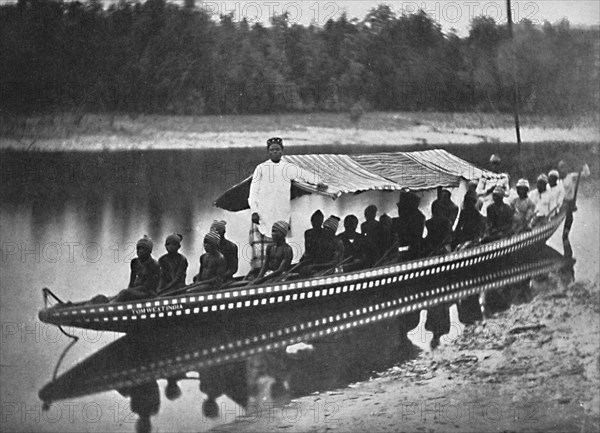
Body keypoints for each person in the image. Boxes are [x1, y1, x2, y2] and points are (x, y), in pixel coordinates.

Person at [248, 137, 326, 273]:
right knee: (262, 247)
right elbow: (253, 193)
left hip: (281, 213)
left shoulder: (288, 168)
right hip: (263, 213)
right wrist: (254, 211)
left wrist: (318, 181)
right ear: (268, 152)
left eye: (277, 150)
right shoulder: (261, 168)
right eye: (272, 150)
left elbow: (304, 175)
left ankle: (279, 272)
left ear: (282, 151)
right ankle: (260, 273)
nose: (275, 152)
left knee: (279, 244)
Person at [112, 235, 160, 303]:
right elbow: (132, 281)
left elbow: (147, 286)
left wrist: (128, 292)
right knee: (105, 297)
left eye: (144, 249)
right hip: (136, 291)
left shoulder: (154, 265)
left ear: (149, 251)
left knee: (124, 293)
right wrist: (128, 291)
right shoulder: (134, 262)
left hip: (148, 293)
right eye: (139, 248)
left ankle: (109, 307)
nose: (140, 251)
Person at [558, 161, 590, 239]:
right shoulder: (557, 179)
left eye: (564, 168)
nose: (562, 170)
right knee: (558, 216)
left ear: (566, 169)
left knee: (569, 218)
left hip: (569, 202)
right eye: (561, 168)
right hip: (560, 202)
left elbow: (586, 174)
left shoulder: (571, 176)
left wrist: (584, 165)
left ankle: (565, 235)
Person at [392, 190, 425, 259]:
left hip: (412, 253)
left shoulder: (417, 218)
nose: (399, 210)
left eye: (401, 207)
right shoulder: (397, 221)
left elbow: (414, 239)